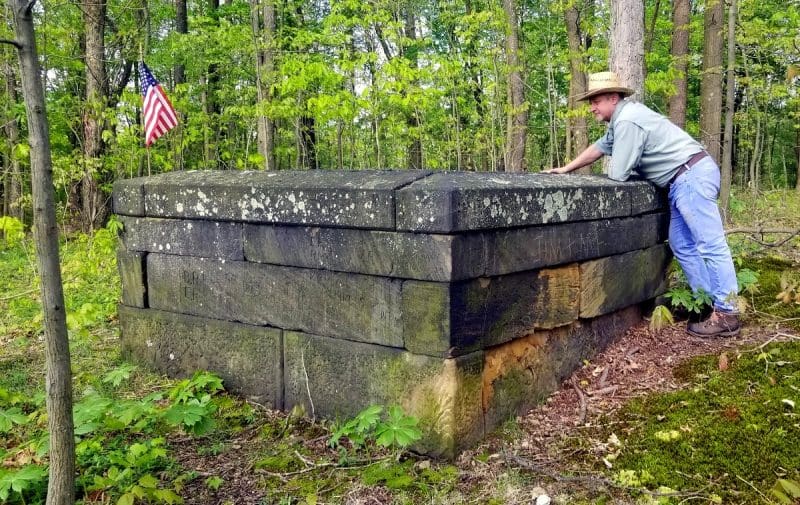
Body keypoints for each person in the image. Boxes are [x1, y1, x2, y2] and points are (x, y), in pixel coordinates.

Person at [547, 71, 740, 338]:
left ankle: (727, 312)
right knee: (682, 244)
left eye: (596, 101)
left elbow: (619, 174)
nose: (591, 107)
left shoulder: (628, 121)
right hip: (681, 179)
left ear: (613, 98)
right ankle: (704, 302)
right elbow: (599, 148)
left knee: (710, 243)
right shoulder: (622, 119)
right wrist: (567, 168)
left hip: (690, 177)